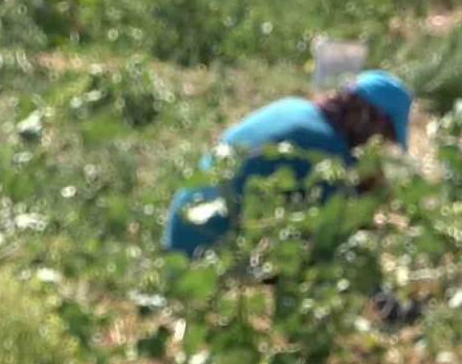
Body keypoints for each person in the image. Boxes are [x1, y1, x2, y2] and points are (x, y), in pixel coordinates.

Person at [163, 70, 419, 322]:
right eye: (381, 138)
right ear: (367, 118)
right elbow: (341, 243)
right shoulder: (327, 150)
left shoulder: (295, 108)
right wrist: (389, 308)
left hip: (178, 237)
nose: (375, 148)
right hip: (203, 260)